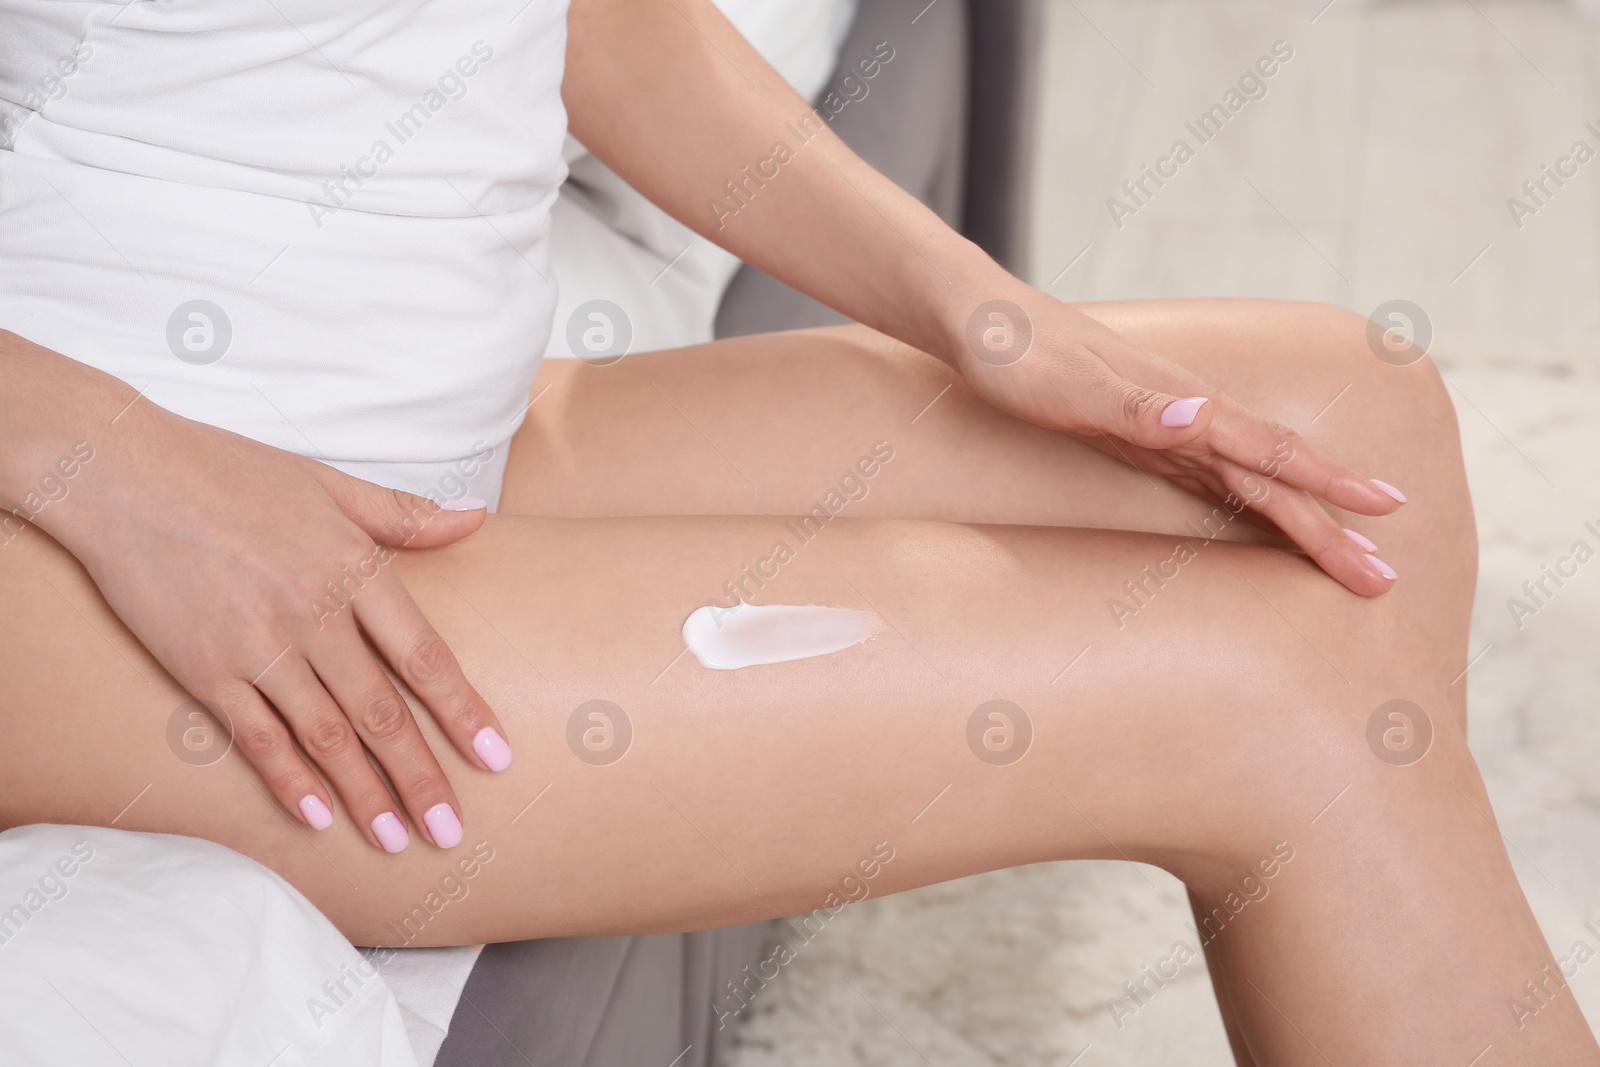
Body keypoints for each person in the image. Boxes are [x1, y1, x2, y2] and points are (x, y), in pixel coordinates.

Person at [1, 0, 1593, 1061]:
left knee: (1349, 414)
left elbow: (600, 20)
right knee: (1275, 710)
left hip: (410, 427)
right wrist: (122, 473)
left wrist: (981, 312)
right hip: (81, 528)